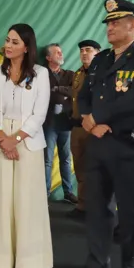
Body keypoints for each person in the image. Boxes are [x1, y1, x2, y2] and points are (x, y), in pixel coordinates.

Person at [71, 0, 134, 268]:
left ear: (132, 26)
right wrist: (88, 119)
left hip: (128, 146)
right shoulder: (101, 60)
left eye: (115, 23)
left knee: (133, 214)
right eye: (108, 22)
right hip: (98, 143)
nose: (109, 27)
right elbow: (84, 95)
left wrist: (99, 117)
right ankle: (97, 261)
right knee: (96, 208)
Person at [0, 23, 52, 268]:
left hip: (27, 142)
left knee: (26, 202)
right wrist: (2, 138)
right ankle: (0, 257)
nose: (8, 45)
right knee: (0, 200)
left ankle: (27, 261)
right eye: (7, 40)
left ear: (27, 46)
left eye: (14, 42)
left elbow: (39, 114)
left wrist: (15, 140)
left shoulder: (41, 74)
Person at [68, 39, 101, 218]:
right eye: (81, 50)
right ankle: (82, 206)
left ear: (98, 52)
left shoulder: (103, 73)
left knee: (93, 170)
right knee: (79, 168)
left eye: (88, 50)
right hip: (77, 128)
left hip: (94, 129)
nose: (84, 53)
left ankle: (95, 209)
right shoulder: (79, 74)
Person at [43, 43, 78, 203]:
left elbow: (75, 91)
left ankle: (68, 192)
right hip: (48, 123)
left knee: (65, 159)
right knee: (47, 160)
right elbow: (40, 92)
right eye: (57, 52)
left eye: (61, 52)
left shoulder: (70, 74)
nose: (61, 54)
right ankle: (45, 194)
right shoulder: (41, 74)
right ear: (48, 57)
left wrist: (57, 90)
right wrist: (64, 90)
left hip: (65, 122)